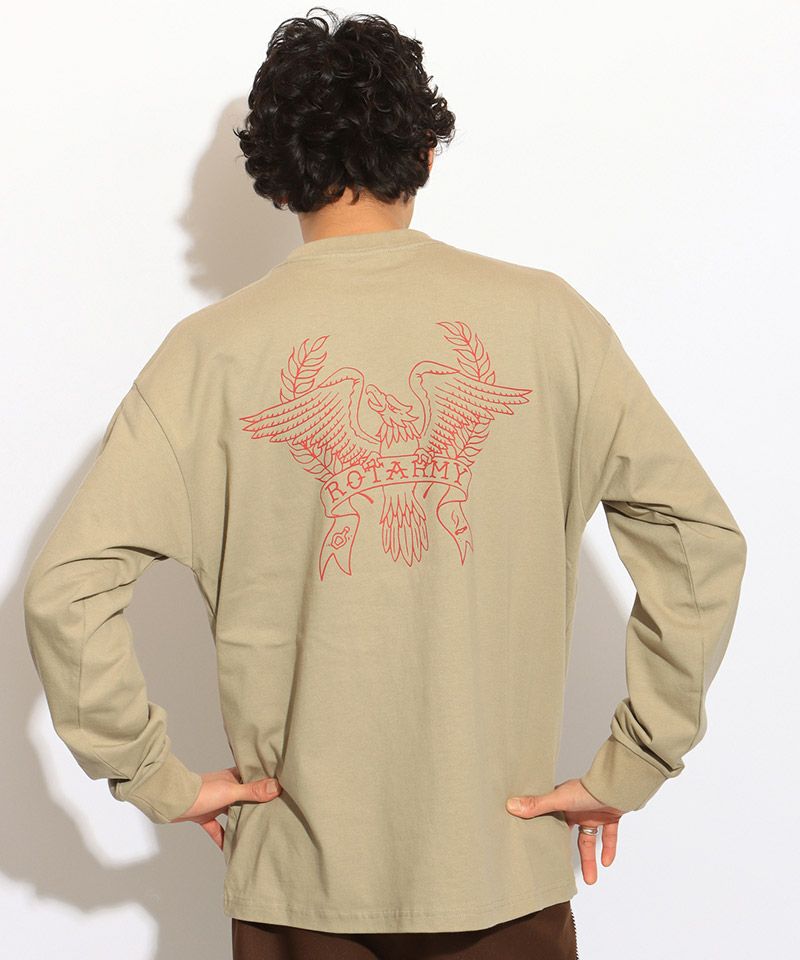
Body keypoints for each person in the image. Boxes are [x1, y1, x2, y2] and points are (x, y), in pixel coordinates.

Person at [23, 7, 747, 959]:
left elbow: (66, 590)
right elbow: (698, 543)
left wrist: (154, 775)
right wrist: (637, 759)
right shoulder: (550, 323)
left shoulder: (208, 356)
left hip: (300, 890)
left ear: (279, 175)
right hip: (502, 873)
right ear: (427, 153)